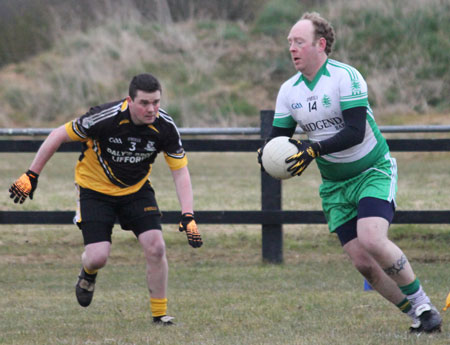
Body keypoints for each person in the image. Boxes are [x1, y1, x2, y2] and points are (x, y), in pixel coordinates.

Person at [258, 12, 442, 333]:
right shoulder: (289, 91)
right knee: (364, 264)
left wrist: (313, 150)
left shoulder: (346, 77)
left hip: (372, 170)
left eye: (298, 42)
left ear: (321, 44)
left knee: (372, 238)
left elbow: (355, 131)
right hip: (334, 185)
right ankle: (417, 315)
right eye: (289, 43)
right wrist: (267, 152)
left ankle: (423, 302)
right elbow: (278, 138)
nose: (292, 48)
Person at [9, 73, 202, 325]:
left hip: (136, 190)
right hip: (95, 191)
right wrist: (31, 174)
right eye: (144, 103)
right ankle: (88, 273)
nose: (151, 109)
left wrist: (188, 215)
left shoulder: (165, 126)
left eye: (155, 102)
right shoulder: (104, 117)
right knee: (98, 256)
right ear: (130, 101)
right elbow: (57, 135)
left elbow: (180, 172)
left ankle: (160, 315)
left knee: (156, 247)